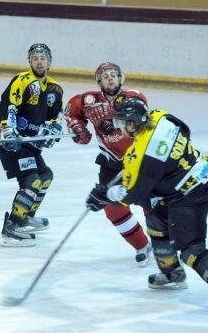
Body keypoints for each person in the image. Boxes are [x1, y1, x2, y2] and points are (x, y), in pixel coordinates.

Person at [86, 94, 208, 316]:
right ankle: (171, 272)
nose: (119, 129)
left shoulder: (142, 155)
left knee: (191, 248)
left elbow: (134, 193)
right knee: (156, 219)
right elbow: (184, 130)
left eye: (120, 123)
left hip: (191, 193)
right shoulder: (161, 117)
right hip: (202, 173)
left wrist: (105, 195)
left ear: (132, 122)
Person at [64, 62, 152, 266]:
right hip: (111, 163)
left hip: (139, 161)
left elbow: (137, 117)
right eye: (105, 76)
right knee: (114, 209)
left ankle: (163, 245)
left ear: (121, 78)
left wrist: (111, 122)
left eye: (114, 75)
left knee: (151, 205)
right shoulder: (88, 100)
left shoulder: (134, 96)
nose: (110, 78)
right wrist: (77, 128)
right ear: (99, 82)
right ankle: (141, 246)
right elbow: (70, 112)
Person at [0, 43, 64, 247]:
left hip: (29, 143)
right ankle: (12, 226)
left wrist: (53, 130)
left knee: (45, 176)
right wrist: (7, 130)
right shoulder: (22, 80)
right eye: (35, 58)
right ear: (29, 61)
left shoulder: (55, 89)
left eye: (43, 58)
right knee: (31, 181)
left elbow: (54, 118)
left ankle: (25, 216)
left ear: (50, 61)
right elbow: (10, 107)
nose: (39, 61)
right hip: (10, 141)